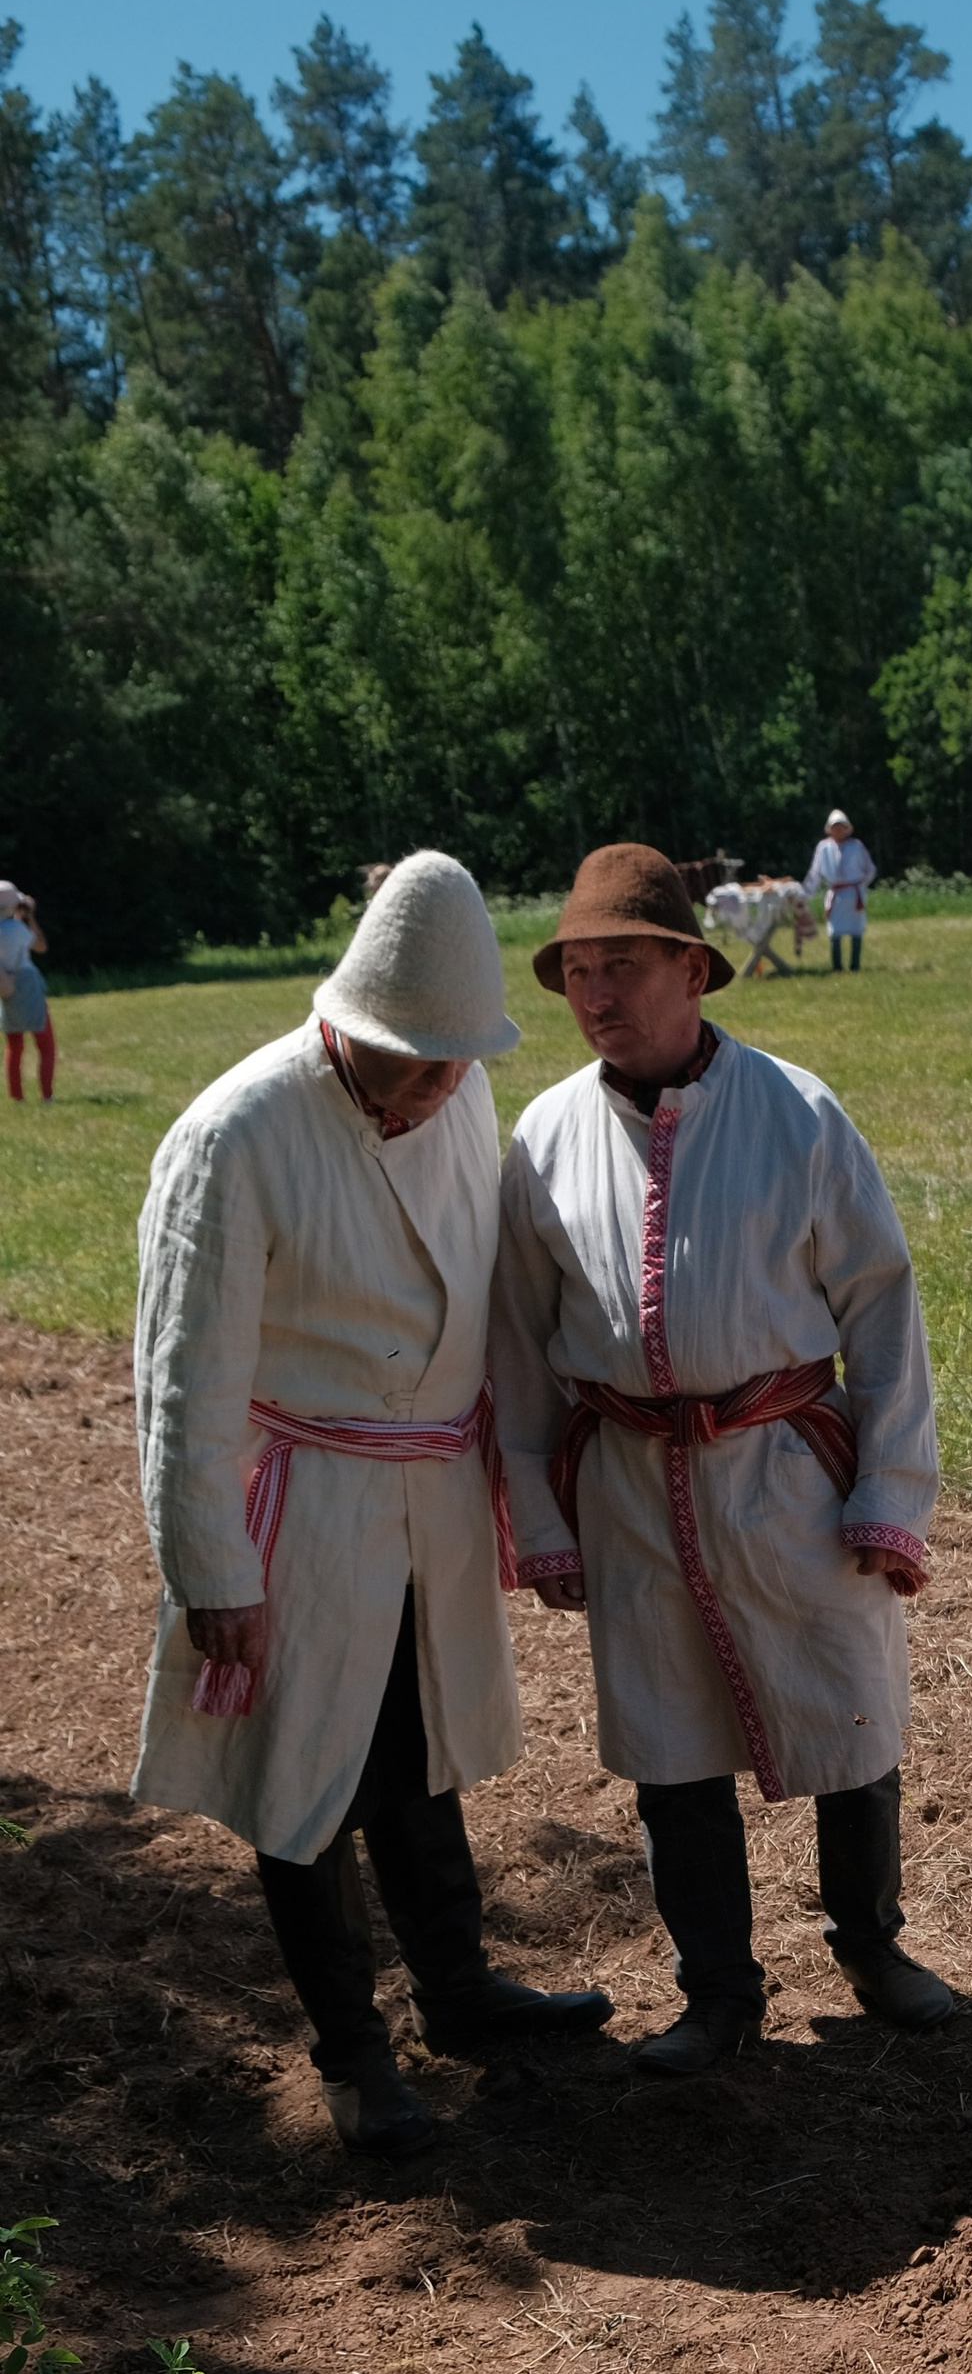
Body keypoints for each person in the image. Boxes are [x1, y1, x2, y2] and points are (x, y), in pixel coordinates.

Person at [131, 854, 610, 2155]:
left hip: (430, 1498)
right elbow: (187, 1378)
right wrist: (209, 1570)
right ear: (347, 1022)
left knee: (420, 1756)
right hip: (310, 1514)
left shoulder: (459, 1087)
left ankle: (458, 1998)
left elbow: (495, 1295)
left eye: (452, 1066)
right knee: (309, 1780)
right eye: (409, 1063)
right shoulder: (238, 1134)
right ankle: (352, 2055)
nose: (434, 1089)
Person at [491, 844, 952, 2075]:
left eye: (625, 965)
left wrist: (887, 1489)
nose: (598, 993)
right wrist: (539, 1512)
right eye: (578, 971)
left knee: (850, 1713)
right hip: (631, 1490)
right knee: (667, 1745)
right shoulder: (540, 1139)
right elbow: (517, 1351)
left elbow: (880, 1306)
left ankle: (873, 1948)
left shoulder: (797, 1112)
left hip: (785, 1472)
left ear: (693, 969)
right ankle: (718, 1994)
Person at [0, 882, 55, 1102]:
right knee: (46, 1044)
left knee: (14, 1045)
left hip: (6, 985)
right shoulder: (18, 929)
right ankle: (46, 1095)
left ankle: (16, 1096)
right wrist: (28, 918)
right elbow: (41, 946)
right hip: (27, 983)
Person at [807, 808, 876, 968]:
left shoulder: (856, 846)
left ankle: (854, 966)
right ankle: (837, 967)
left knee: (856, 930)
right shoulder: (823, 847)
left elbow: (870, 869)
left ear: (847, 829)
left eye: (841, 827)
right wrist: (806, 892)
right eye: (835, 827)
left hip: (854, 895)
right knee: (834, 932)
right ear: (829, 829)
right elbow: (815, 872)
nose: (838, 830)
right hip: (836, 895)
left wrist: (860, 885)